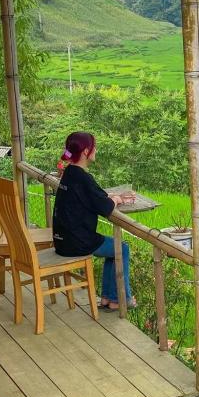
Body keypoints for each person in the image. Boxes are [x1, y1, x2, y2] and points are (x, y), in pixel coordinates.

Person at [52, 131, 136, 310]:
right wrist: (117, 200)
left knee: (113, 249)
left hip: (62, 240)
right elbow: (105, 207)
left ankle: (109, 299)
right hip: (77, 242)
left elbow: (93, 195)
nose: (96, 150)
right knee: (122, 248)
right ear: (85, 152)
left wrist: (111, 196)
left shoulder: (69, 172)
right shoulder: (82, 177)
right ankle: (122, 299)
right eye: (93, 147)